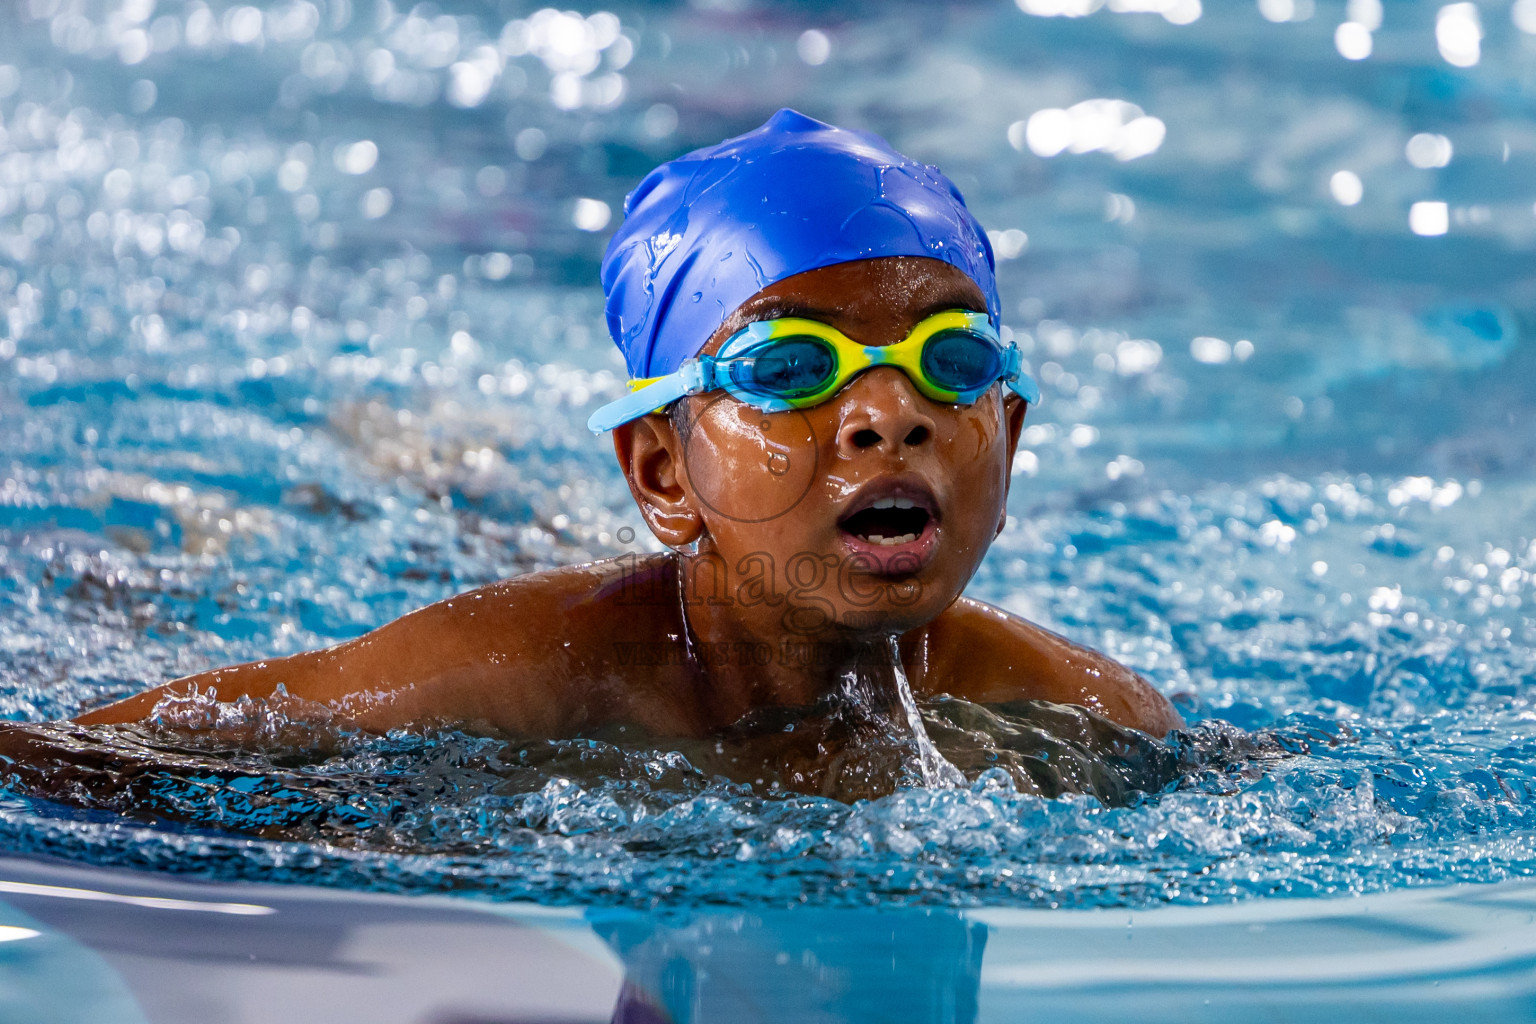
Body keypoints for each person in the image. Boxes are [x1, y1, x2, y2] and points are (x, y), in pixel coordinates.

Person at [74, 109, 1180, 753]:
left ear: (1011, 431)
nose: (890, 414)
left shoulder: (1079, 718)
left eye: (952, 361)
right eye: (791, 367)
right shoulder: (518, 679)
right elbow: (77, 761)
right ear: (663, 470)